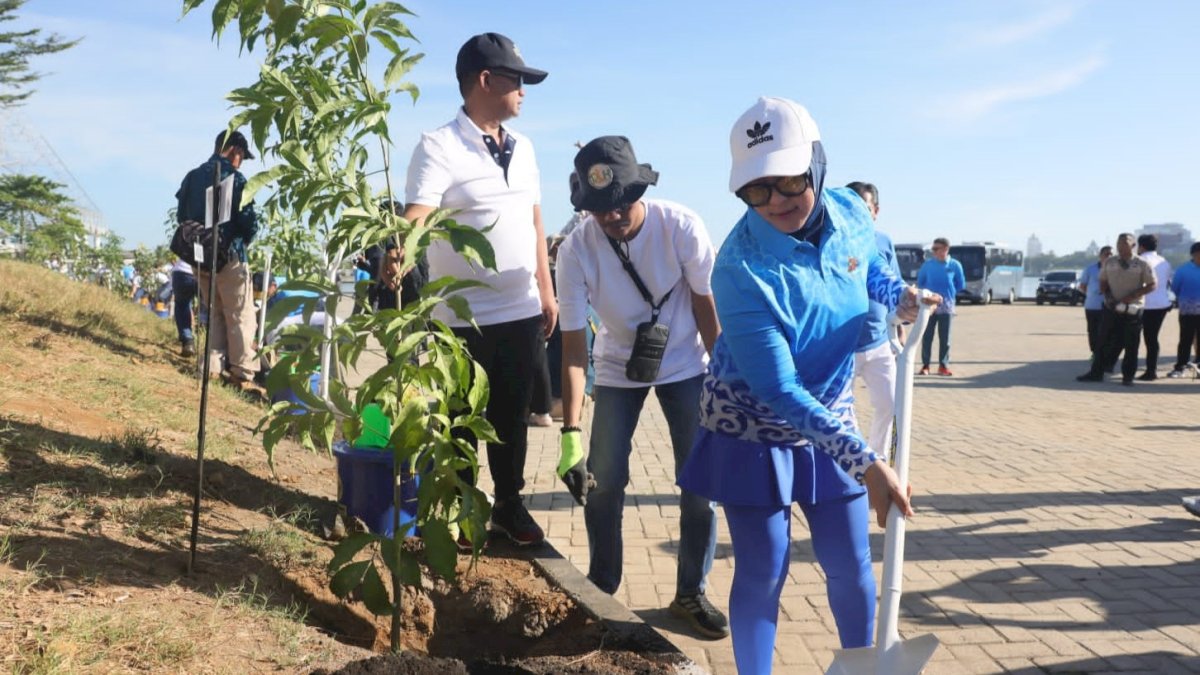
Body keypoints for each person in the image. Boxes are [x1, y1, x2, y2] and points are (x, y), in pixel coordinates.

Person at [676, 97, 937, 674]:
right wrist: (866, 460)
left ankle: (861, 666)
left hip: (830, 411)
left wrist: (901, 297)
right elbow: (779, 389)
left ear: (817, 164)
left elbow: (865, 264)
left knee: (850, 564)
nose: (777, 202)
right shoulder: (740, 272)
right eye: (757, 190)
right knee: (765, 568)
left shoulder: (848, 209)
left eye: (791, 180)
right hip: (754, 425)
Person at [554, 136, 726, 639]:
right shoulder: (576, 249)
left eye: (621, 204)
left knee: (700, 485)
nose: (611, 217)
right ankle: (602, 585)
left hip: (686, 364)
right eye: (599, 210)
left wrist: (725, 384)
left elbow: (705, 310)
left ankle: (690, 592)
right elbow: (571, 347)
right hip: (614, 367)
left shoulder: (682, 227)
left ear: (639, 189)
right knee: (603, 481)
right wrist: (569, 432)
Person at [402, 32, 555, 546]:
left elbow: (535, 223)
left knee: (511, 418)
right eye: (518, 81)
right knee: (462, 421)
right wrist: (397, 255)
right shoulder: (438, 145)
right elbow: (416, 218)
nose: (524, 92)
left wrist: (547, 290)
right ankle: (465, 513)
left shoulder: (526, 149)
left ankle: (509, 507)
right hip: (461, 318)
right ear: (486, 81)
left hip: (521, 310)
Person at [176, 129, 260, 390]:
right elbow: (249, 223)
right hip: (230, 255)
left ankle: (211, 367)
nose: (241, 161)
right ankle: (242, 372)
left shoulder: (192, 177)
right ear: (235, 150)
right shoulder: (235, 179)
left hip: (199, 255)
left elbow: (181, 215)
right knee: (240, 314)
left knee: (213, 311)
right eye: (242, 156)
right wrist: (241, 239)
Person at [846, 181, 901, 462]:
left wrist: (899, 328)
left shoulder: (883, 242)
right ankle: (854, 461)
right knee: (841, 409)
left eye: (864, 208)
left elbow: (895, 288)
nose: (858, 214)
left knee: (890, 404)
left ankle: (877, 459)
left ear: (875, 211)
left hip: (879, 342)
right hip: (843, 347)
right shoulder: (835, 242)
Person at [1076, 233, 1156, 386]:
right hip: (1111, 308)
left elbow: (1152, 284)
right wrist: (1108, 295)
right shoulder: (1110, 262)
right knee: (1102, 342)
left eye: (1125, 242)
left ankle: (1128, 376)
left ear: (1133, 245)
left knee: (1131, 344)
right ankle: (1096, 373)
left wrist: (1134, 294)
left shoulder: (1142, 263)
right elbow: (1102, 281)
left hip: (1132, 309)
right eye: (1119, 242)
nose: (1121, 245)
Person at [917, 237, 965, 375]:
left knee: (945, 338)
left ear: (945, 249)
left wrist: (949, 294)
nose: (934, 251)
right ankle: (925, 366)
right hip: (928, 306)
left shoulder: (955, 265)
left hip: (947, 307)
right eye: (933, 249)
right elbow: (921, 282)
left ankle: (943, 366)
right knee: (927, 337)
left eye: (936, 249)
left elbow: (960, 284)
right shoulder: (927, 265)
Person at [1136, 234, 1173, 380]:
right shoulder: (1164, 262)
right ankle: (1151, 369)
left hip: (1144, 304)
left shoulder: (1140, 261)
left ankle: (1144, 370)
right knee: (1152, 338)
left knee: (1133, 337)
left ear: (1141, 246)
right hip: (1162, 304)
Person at [1166, 242, 1200, 378]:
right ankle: (1180, 367)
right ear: (1193, 254)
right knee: (1185, 339)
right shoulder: (1183, 270)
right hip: (1187, 312)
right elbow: (1175, 288)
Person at [1078, 246, 1112, 361]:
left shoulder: (1116, 269)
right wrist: (1093, 294)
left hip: (1110, 306)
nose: (1109, 256)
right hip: (1092, 305)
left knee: (1108, 331)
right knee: (1093, 331)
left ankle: (1106, 354)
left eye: (1111, 254)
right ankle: (1095, 353)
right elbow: (1082, 286)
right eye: (1106, 254)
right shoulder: (1090, 269)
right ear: (1100, 255)